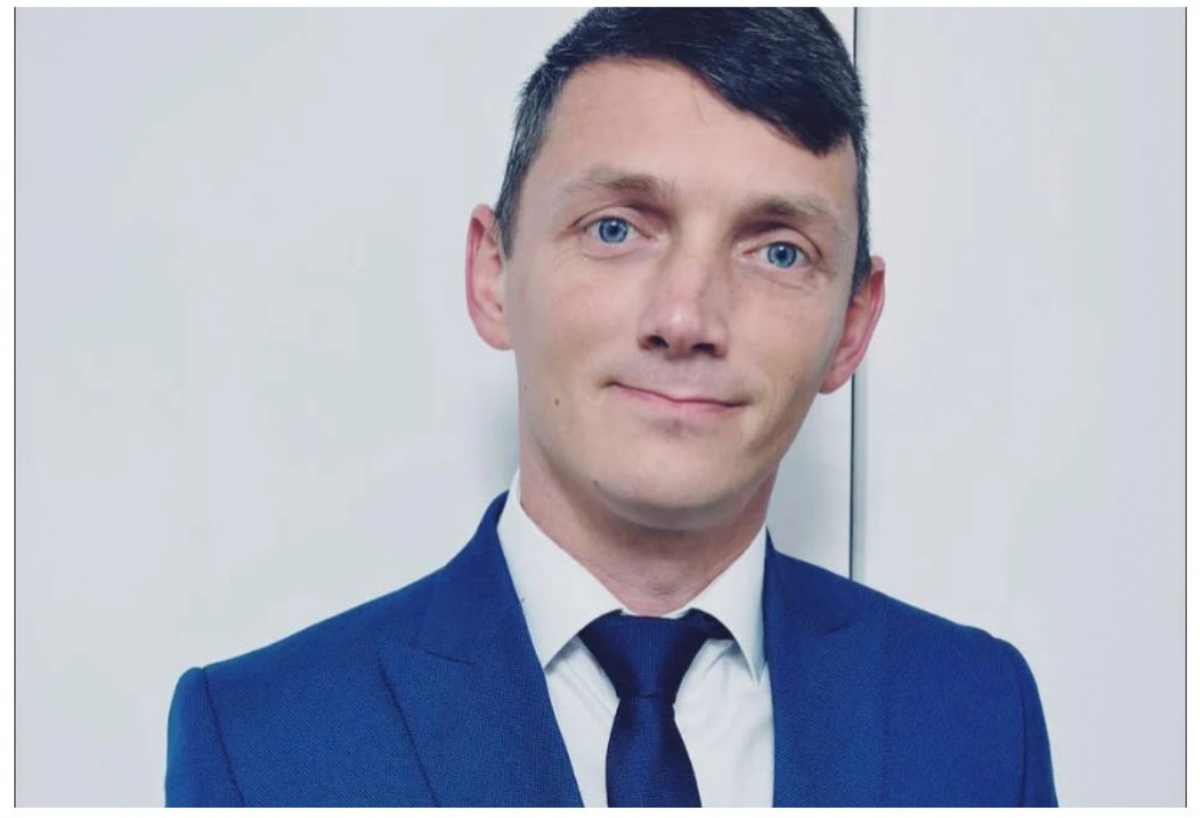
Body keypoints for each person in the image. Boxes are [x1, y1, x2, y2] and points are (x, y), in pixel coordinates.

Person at [165, 8, 1056, 807]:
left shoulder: (978, 717)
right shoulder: (259, 742)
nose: (686, 319)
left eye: (779, 251)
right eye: (616, 228)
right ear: (492, 274)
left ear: (853, 326)